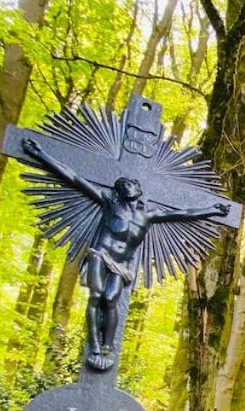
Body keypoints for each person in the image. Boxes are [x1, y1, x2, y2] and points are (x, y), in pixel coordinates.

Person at [20, 137, 228, 371]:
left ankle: (108, 346)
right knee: (96, 296)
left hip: (121, 265)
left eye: (130, 184)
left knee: (111, 300)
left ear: (138, 190)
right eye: (123, 185)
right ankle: (95, 346)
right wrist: (40, 155)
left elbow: (184, 213)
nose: (126, 186)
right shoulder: (111, 204)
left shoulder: (148, 216)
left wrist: (212, 210)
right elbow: (75, 179)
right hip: (100, 255)